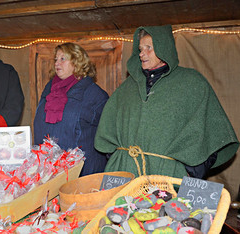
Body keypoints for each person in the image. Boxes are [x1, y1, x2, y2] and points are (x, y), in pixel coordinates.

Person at [95, 25, 239, 179]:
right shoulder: (127, 88)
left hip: (168, 176)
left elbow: (214, 133)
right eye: (140, 49)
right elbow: (107, 130)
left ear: (164, 48)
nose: (142, 54)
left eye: (149, 48)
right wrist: (119, 159)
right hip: (126, 174)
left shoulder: (191, 83)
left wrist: (191, 169)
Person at [33, 42, 109, 176]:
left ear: (77, 62)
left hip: (82, 172)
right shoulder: (49, 90)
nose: (57, 63)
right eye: (56, 59)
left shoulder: (94, 94)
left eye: (63, 59)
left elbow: (108, 135)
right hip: (50, 171)